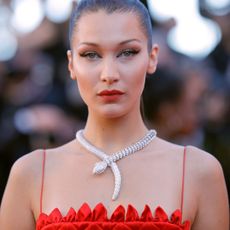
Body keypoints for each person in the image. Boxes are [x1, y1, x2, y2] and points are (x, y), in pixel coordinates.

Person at [0, 0, 229, 229]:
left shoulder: (199, 171)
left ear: (152, 58)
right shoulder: (30, 173)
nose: (109, 74)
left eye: (127, 52)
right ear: (71, 64)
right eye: (90, 54)